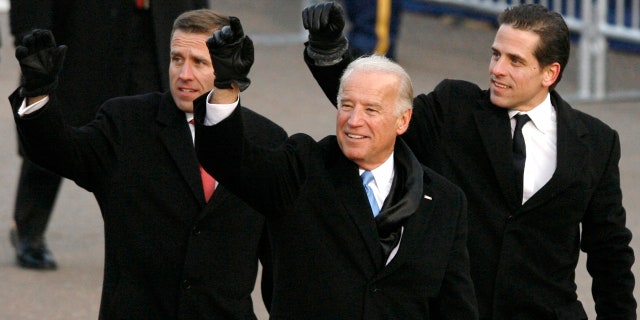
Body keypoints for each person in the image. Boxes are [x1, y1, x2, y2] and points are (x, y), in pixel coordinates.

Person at [302, 2, 637, 319]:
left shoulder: (595, 142)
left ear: (550, 73)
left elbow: (610, 252)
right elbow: (381, 113)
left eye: (515, 61)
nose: (497, 70)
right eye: (495, 55)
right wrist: (330, 52)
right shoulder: (453, 109)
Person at [193, 17, 478, 319]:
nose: (354, 120)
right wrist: (226, 86)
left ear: (403, 120)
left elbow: (455, 306)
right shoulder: (302, 169)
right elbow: (229, 161)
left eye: (371, 110)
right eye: (346, 105)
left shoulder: (445, 202)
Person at [9, 9, 285, 319]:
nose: (184, 74)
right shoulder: (125, 123)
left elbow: (283, 265)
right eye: (177, 59)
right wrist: (37, 94)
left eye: (199, 62)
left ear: (227, 66)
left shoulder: (267, 141)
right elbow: (59, 152)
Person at [8, 0, 208, 270]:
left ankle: (154, 236)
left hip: (158, 23)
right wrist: (29, 30)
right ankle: (29, 230)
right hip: (84, 26)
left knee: (158, 129)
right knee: (58, 121)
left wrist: (202, 23)